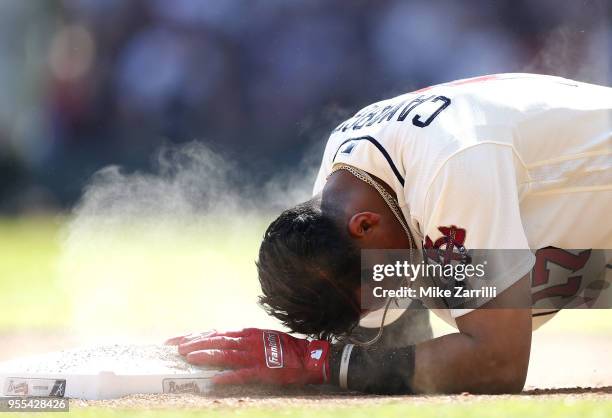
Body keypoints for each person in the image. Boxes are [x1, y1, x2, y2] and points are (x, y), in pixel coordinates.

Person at [168, 74, 612, 394]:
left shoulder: (449, 167)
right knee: (446, 286)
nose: (387, 300)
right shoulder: (348, 189)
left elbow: (499, 363)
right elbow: (390, 342)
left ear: (364, 226)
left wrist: (318, 364)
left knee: (459, 295)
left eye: (381, 288)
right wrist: (296, 356)